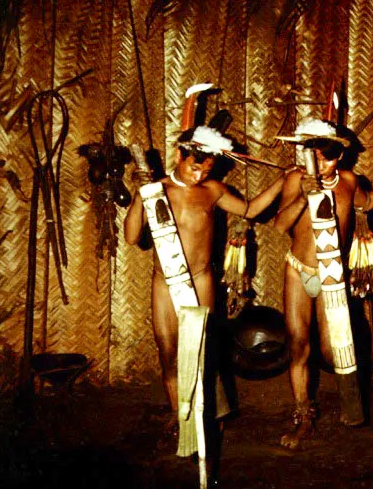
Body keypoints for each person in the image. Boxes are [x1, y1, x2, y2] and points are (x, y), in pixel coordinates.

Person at [123, 125, 288, 428]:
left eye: (207, 169)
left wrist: (282, 182)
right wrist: (140, 196)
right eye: (194, 167)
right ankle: (180, 416)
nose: (199, 175)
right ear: (179, 155)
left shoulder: (212, 191)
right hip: (164, 283)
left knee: (200, 349)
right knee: (169, 352)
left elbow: (250, 210)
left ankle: (208, 411)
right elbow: (132, 237)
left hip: (201, 280)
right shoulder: (157, 190)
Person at [273, 118, 373, 449]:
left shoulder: (347, 181)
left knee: (332, 350)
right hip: (298, 270)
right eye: (313, 156)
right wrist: (303, 197)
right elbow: (280, 224)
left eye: (327, 157)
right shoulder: (295, 180)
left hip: (334, 274)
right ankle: (302, 416)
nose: (321, 164)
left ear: (339, 157)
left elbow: (369, 202)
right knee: (298, 344)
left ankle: (350, 406)